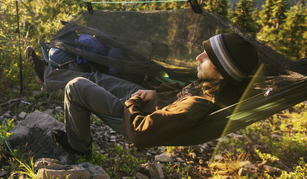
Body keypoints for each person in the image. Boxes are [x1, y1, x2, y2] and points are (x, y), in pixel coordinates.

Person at [26, 33, 259, 157]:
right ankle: (45, 74)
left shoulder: (197, 104)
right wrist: (153, 91)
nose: (198, 57)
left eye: (207, 57)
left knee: (77, 86)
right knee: (95, 76)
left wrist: (134, 101)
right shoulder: (211, 85)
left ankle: (78, 145)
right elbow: (176, 94)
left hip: (133, 111)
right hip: (146, 99)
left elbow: (141, 133)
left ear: (222, 74)